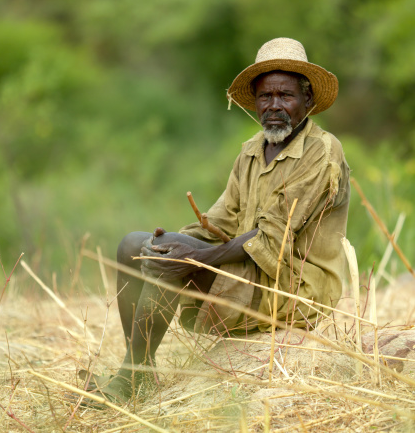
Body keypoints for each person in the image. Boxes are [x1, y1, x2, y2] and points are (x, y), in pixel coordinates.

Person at [88, 37, 350, 405]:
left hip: (291, 287)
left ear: (307, 101)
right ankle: (139, 368)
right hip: (248, 269)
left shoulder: (322, 152)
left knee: (173, 260)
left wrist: (193, 256)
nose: (274, 106)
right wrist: (173, 239)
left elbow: (273, 238)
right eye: (265, 97)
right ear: (255, 102)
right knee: (134, 244)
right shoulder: (251, 151)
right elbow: (221, 220)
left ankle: (132, 377)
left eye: (286, 96)